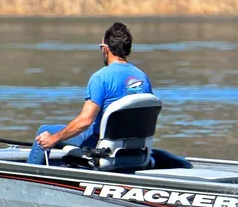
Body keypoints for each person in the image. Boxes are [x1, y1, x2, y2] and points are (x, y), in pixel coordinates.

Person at [27, 22, 153, 164]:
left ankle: (25, 180)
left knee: (44, 131)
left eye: (101, 47)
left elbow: (85, 121)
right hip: (137, 148)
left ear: (106, 49)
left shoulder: (101, 77)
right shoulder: (143, 77)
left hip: (102, 146)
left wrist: (53, 139)